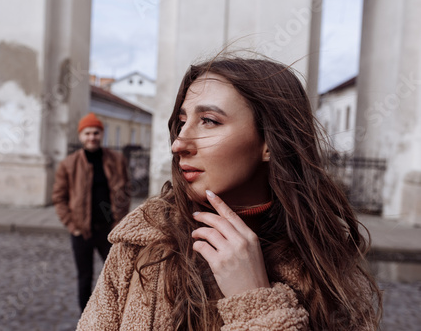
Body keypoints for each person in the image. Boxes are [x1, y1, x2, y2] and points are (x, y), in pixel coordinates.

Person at [76, 57, 382, 330]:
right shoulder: (144, 240)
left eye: (209, 121)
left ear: (270, 142)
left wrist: (255, 304)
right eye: (182, 123)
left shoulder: (325, 266)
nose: (178, 143)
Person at [52, 112, 130, 313]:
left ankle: (115, 315)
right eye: (87, 133)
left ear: (101, 134)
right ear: (81, 136)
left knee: (116, 275)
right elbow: (59, 198)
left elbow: (126, 190)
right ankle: (85, 318)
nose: (92, 137)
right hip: (82, 230)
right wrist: (72, 226)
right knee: (85, 277)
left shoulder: (116, 159)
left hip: (109, 228)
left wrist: (119, 221)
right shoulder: (69, 164)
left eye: (96, 133)